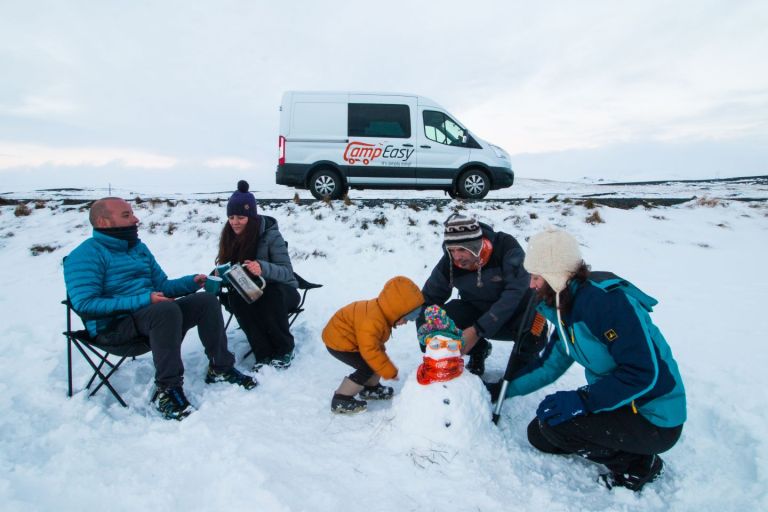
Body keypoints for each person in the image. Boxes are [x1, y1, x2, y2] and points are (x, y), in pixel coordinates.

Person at [498, 227, 686, 492]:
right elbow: (550, 365)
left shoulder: (606, 304)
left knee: (558, 428)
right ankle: (612, 440)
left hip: (653, 415)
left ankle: (639, 465)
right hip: (619, 400)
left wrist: (583, 400)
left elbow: (642, 372)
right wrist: (501, 391)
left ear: (555, 276)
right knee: (540, 434)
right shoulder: (564, 308)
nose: (532, 284)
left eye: (537, 277)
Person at [64, 197, 256, 421]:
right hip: (113, 327)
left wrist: (192, 282)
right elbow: (85, 304)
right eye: (126, 215)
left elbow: (162, 286)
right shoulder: (85, 255)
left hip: (153, 317)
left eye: (132, 213)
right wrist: (144, 300)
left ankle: (221, 368)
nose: (136, 219)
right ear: (103, 222)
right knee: (166, 310)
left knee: (206, 301)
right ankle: (168, 390)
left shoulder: (138, 249)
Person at [419, 213, 545, 376]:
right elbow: (429, 299)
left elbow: (515, 293)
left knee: (534, 332)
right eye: (452, 250)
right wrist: (428, 337)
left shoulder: (506, 247)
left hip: (516, 315)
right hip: (477, 313)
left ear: (476, 245)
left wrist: (477, 330)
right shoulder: (450, 261)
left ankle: (520, 375)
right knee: (442, 318)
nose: (456, 256)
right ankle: (479, 350)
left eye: (462, 250)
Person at [216, 180, 300, 371]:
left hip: (283, 290)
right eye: (231, 217)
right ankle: (262, 353)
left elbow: (286, 271)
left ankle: (285, 349)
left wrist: (262, 268)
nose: (235, 222)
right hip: (248, 290)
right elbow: (226, 267)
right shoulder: (229, 236)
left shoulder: (271, 235)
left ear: (251, 217)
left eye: (241, 217)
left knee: (270, 296)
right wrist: (218, 275)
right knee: (237, 299)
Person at [322, 276, 424, 414]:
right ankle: (341, 399)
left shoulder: (382, 314)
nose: (405, 322)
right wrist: (388, 370)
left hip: (349, 338)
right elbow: (370, 351)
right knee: (368, 365)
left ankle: (370, 389)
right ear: (396, 311)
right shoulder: (372, 321)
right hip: (338, 342)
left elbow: (374, 347)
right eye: (406, 318)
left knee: (376, 360)